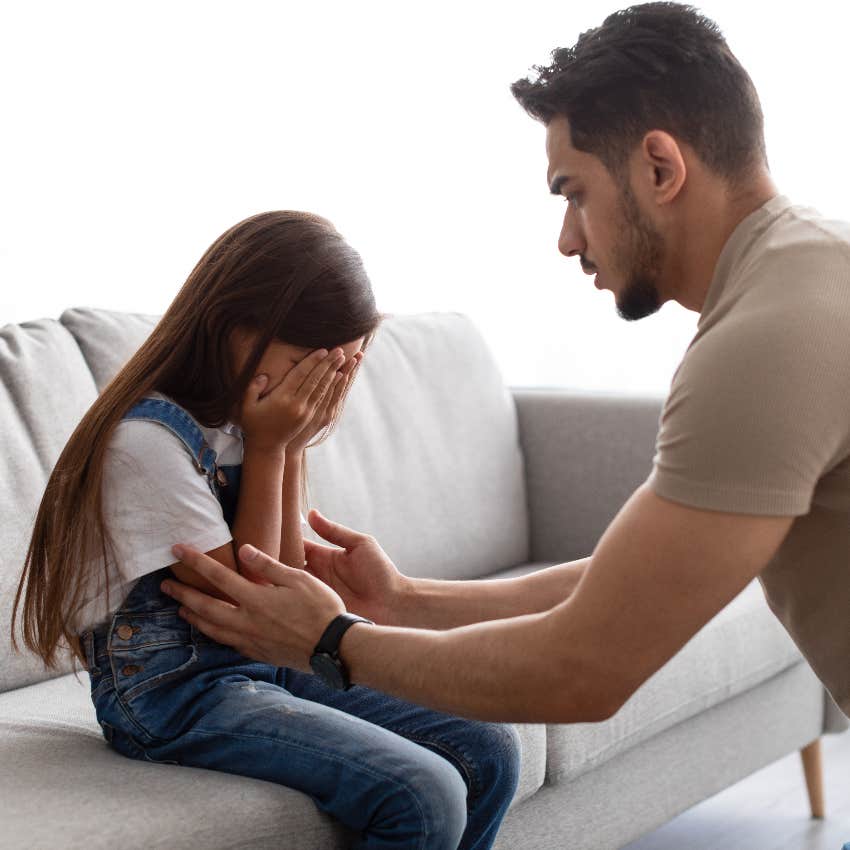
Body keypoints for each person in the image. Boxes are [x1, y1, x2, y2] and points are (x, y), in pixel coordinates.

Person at [160, 1, 850, 737]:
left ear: (659, 167)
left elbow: (582, 667)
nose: (565, 239)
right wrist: (403, 602)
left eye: (573, 193)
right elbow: (634, 588)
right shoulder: (804, 276)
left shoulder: (765, 342)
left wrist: (328, 642)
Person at [11, 211, 521, 850]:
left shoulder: (238, 428)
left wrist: (291, 444)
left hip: (264, 663)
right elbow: (246, 610)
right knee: (424, 792)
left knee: (489, 750)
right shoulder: (148, 444)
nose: (327, 382)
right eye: (314, 361)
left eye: (345, 367)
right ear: (236, 329)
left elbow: (285, 596)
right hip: (171, 695)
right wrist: (274, 446)